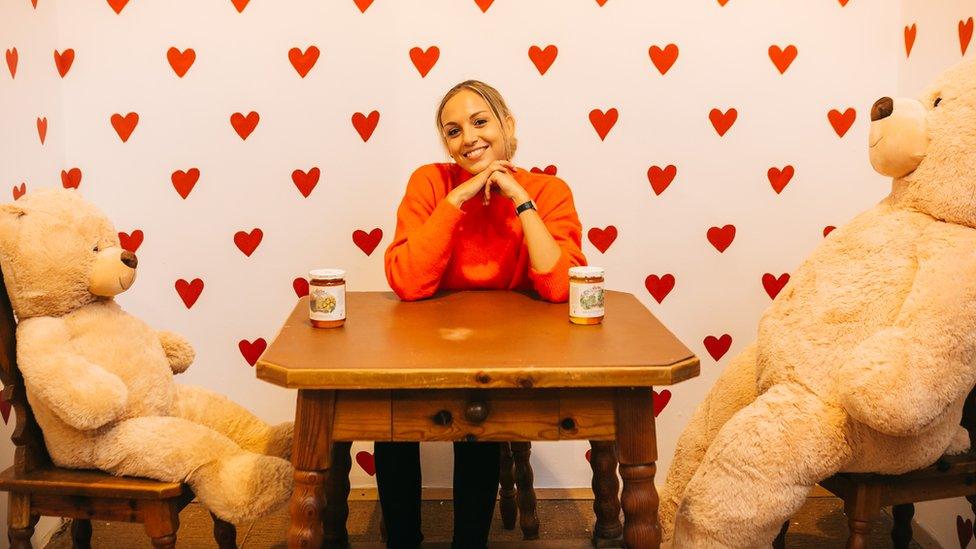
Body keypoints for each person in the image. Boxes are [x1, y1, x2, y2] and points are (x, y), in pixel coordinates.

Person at [379, 80, 587, 548]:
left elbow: (559, 288)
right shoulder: (430, 182)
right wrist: (457, 199)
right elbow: (408, 282)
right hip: (427, 348)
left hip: (504, 355)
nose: (468, 138)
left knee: (479, 420)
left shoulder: (549, 191)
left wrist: (520, 197)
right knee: (390, 420)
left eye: (479, 122)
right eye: (453, 131)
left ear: (506, 125)